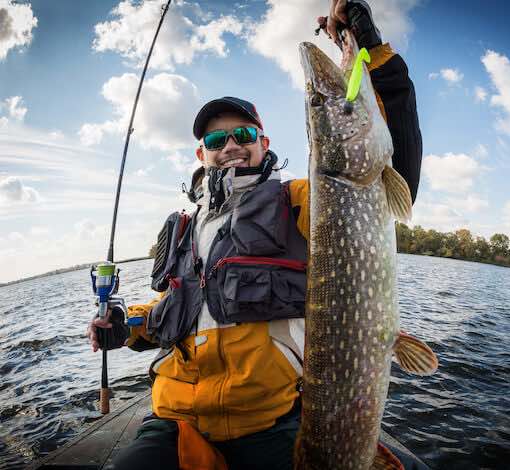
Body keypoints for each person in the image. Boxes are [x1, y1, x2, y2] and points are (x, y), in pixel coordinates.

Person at [87, 1, 424, 469]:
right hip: (175, 417)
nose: (229, 146)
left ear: (263, 143)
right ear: (201, 155)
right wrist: (125, 325)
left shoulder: (305, 200)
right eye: (214, 140)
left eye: (242, 133)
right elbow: (174, 307)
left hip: (269, 421)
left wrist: (369, 48)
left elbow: (394, 159)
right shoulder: (182, 229)